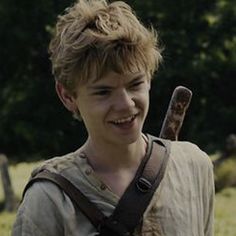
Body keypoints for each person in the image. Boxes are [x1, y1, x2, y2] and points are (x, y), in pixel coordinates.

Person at [12, 0, 214, 235]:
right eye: (103, 92)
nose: (126, 104)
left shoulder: (194, 166)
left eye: (135, 83)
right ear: (67, 96)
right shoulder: (50, 199)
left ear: (149, 78)